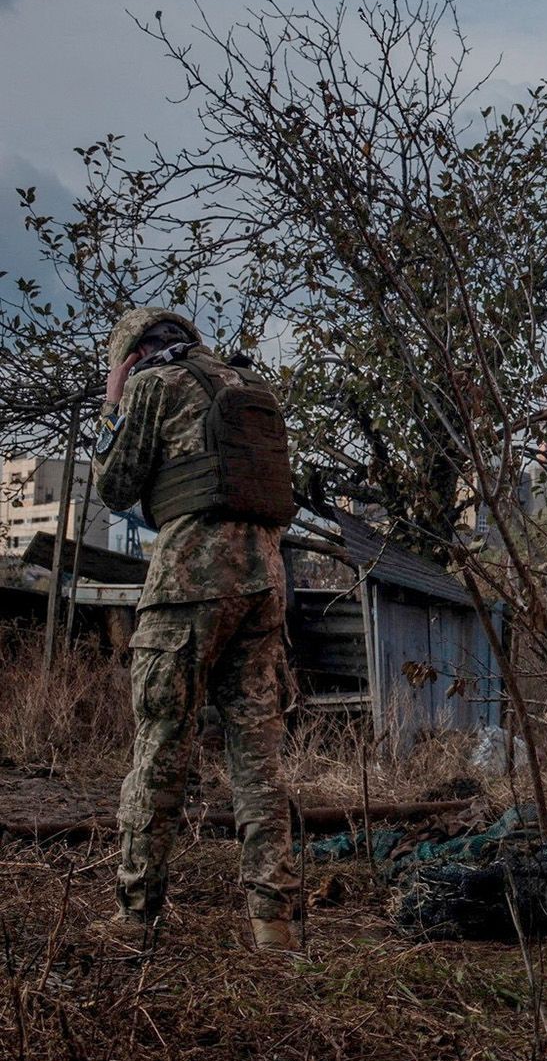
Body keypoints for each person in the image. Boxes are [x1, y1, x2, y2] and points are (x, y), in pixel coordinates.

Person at [84, 307, 303, 953]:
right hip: (264, 583)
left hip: (188, 586)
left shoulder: (151, 385)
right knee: (257, 756)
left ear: (132, 352)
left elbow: (114, 487)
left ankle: (135, 913)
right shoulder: (244, 384)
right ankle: (273, 926)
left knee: (160, 743)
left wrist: (113, 402)